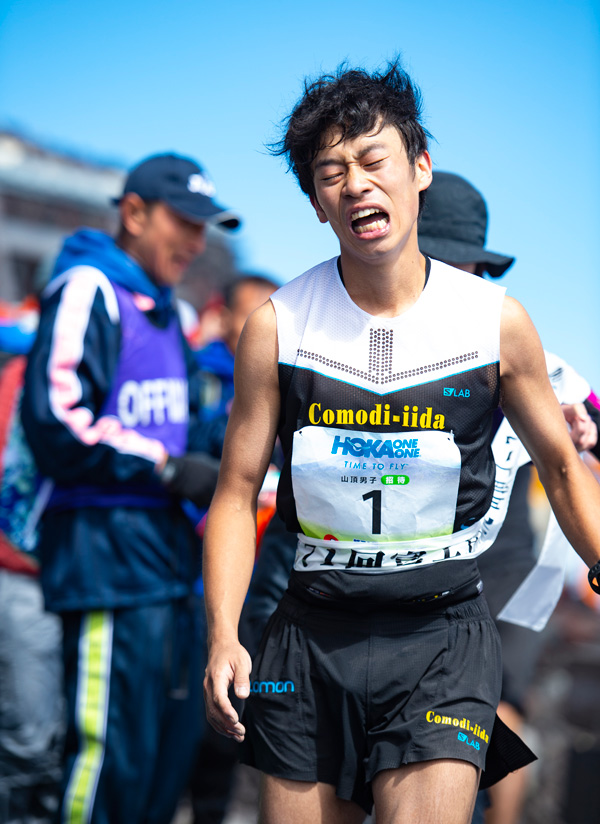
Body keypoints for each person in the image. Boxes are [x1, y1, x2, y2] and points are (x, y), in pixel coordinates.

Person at [202, 61, 600, 824]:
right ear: (317, 203)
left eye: (373, 160)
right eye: (331, 172)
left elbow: (561, 462)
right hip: (308, 636)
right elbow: (232, 491)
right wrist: (224, 635)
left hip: (442, 634)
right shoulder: (277, 327)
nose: (355, 184)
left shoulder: (496, 321)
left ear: (419, 169)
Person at [21, 152, 238, 824]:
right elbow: (58, 419)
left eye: (207, 229)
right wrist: (169, 469)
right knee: (104, 759)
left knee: (157, 770)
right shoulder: (88, 287)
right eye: (185, 223)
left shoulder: (168, 310)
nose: (198, 243)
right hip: (106, 563)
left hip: (165, 570)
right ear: (134, 212)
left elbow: (175, 429)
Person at [418, 170, 600, 824]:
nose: (453, 275)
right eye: (436, 259)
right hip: (415, 580)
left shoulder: (518, 349)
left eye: (465, 265)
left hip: (509, 574)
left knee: (493, 708)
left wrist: (587, 426)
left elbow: (590, 412)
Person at [189, 273, 278, 824]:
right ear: (223, 316)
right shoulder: (196, 375)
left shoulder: (283, 380)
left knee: (233, 736)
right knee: (191, 737)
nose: (257, 326)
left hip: (258, 590)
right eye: (248, 313)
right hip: (195, 585)